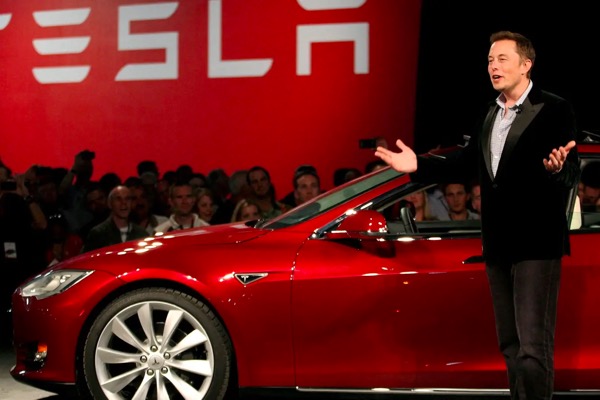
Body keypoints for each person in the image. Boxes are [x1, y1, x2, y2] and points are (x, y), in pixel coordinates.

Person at [375, 31, 579, 400]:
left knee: (534, 349)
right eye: (489, 60)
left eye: (502, 59)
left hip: (536, 242)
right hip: (498, 243)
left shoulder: (554, 108)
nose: (493, 67)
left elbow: (568, 165)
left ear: (526, 64)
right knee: (511, 345)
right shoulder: (489, 112)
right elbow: (466, 161)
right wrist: (417, 164)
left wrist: (556, 168)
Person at [81, 185, 147, 253]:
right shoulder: (98, 234)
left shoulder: (141, 234)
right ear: (110, 204)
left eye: (127, 199)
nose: (124, 203)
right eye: (118, 199)